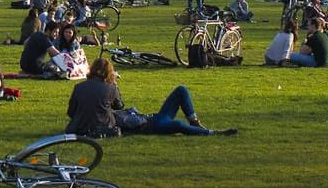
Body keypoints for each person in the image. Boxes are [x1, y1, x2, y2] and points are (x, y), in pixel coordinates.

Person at [67, 57, 235, 138]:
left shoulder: (79, 87)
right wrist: (115, 86)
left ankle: (195, 121)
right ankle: (209, 132)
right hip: (150, 123)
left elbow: (71, 112)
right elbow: (119, 105)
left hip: (149, 119)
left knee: (181, 92)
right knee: (177, 122)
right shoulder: (110, 88)